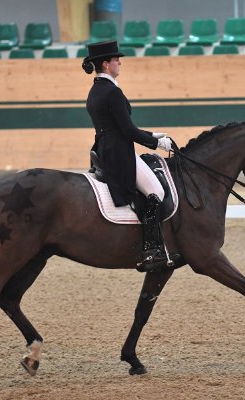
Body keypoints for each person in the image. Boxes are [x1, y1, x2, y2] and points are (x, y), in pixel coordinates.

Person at [82, 40, 176, 272]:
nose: (120, 63)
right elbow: (127, 130)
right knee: (157, 192)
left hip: (105, 149)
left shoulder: (95, 90)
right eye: (116, 60)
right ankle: (151, 249)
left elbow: (117, 127)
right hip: (120, 152)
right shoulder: (113, 92)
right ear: (106, 64)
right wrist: (157, 142)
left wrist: (152, 133)